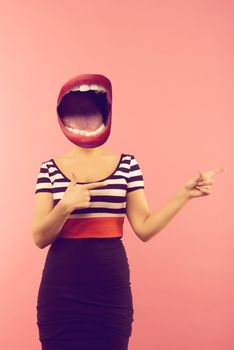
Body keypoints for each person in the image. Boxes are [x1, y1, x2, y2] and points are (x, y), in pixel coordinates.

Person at [32, 73, 226, 350]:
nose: (83, 116)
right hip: (60, 292)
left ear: (105, 114)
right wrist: (65, 206)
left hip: (109, 290)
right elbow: (39, 238)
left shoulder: (127, 165)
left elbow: (144, 228)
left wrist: (184, 194)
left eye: (89, 109)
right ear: (62, 118)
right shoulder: (49, 168)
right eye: (75, 110)